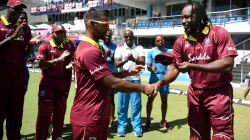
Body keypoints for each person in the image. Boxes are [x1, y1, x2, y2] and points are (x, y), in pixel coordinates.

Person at [153, 1, 238, 140]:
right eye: (182, 18)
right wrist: (161, 83)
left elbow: (228, 64)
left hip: (219, 92)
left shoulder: (218, 33)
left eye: (187, 17)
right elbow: (174, 67)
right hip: (195, 94)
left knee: (222, 136)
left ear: (199, 16)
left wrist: (192, 66)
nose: (183, 21)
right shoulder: (181, 41)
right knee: (196, 136)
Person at [70, 9, 156, 140]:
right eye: (104, 24)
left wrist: (127, 72)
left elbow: (106, 75)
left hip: (98, 114)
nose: (108, 27)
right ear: (91, 24)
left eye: (108, 23)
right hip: (88, 116)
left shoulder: (97, 48)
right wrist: (143, 88)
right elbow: (112, 83)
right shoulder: (89, 51)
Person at [35, 25, 75, 140]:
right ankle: (40, 137)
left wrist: (70, 64)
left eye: (62, 32)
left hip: (62, 83)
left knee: (60, 112)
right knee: (44, 113)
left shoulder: (67, 46)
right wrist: (58, 59)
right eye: (58, 33)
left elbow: (70, 61)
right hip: (47, 83)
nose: (61, 35)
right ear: (52, 33)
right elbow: (41, 64)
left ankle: (57, 136)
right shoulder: (44, 46)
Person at [0, 0, 31, 139]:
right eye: (16, 9)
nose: (19, 12)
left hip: (18, 73)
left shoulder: (25, 28)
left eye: (21, 10)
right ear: (8, 8)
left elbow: (23, 50)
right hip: (1, 73)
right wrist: (12, 37)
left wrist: (30, 51)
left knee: (16, 112)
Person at [114, 29, 145, 137]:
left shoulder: (139, 48)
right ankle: (122, 126)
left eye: (130, 36)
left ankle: (137, 127)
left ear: (133, 37)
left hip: (135, 80)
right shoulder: (119, 48)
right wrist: (126, 60)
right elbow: (116, 64)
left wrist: (134, 59)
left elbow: (143, 62)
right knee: (122, 106)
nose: (128, 38)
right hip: (123, 81)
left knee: (136, 106)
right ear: (124, 37)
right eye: (126, 36)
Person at [144, 35, 171, 131]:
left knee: (164, 100)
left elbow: (172, 65)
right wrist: (151, 68)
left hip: (165, 79)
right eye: (158, 40)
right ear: (155, 42)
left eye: (162, 40)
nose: (160, 41)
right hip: (154, 79)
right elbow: (148, 66)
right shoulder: (151, 51)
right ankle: (148, 121)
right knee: (150, 99)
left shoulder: (168, 52)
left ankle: (163, 121)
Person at [99, 30, 118, 127]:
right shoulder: (98, 45)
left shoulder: (115, 46)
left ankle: (111, 119)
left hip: (112, 74)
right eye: (106, 35)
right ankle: (101, 118)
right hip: (101, 75)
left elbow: (117, 60)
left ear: (111, 36)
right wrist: (105, 55)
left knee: (111, 99)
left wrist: (112, 55)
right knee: (100, 98)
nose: (107, 37)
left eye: (109, 36)